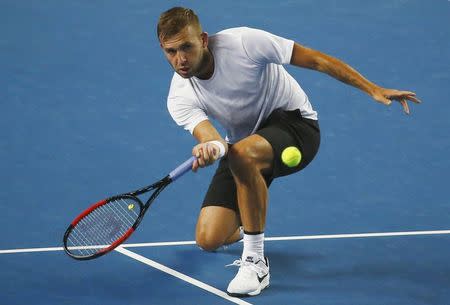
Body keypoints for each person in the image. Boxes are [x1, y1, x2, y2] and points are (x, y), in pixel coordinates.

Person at [156, 7, 420, 297]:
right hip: (244, 144)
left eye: (186, 47)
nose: (180, 59)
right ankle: (248, 216)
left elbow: (316, 59)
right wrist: (211, 147)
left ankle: (255, 262)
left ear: (203, 39)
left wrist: (372, 88)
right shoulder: (179, 95)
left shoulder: (244, 43)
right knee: (208, 238)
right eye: (170, 51)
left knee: (242, 155)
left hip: (296, 126)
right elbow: (215, 140)